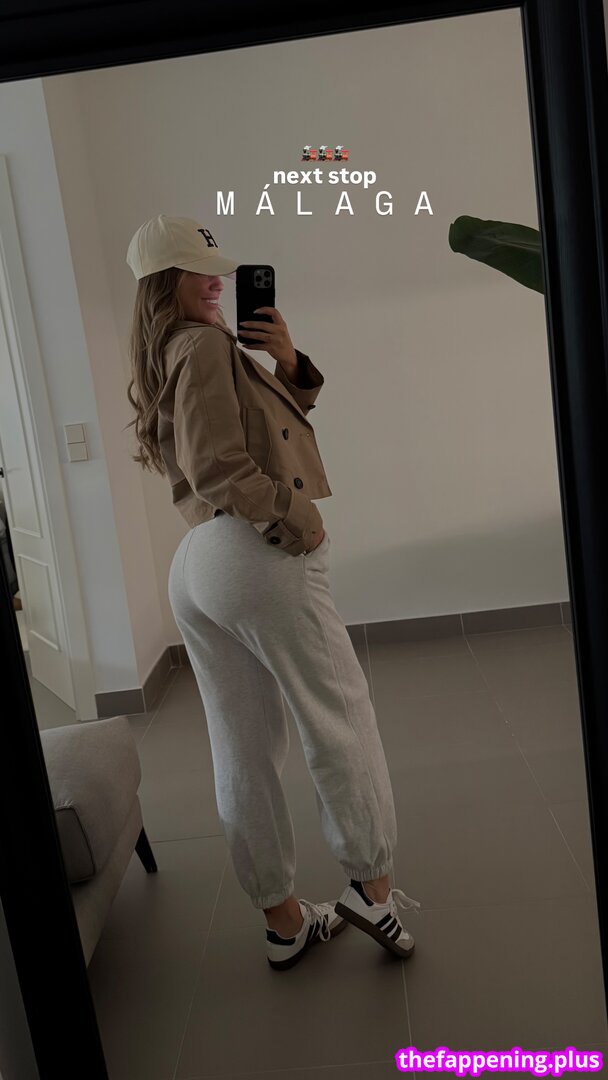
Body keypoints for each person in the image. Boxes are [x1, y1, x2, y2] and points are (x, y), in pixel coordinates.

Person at [125, 214, 421, 970]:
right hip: (253, 552)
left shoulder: (175, 349)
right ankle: (372, 891)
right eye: (199, 270)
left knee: (242, 742)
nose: (217, 280)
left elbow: (268, 436)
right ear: (166, 281)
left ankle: (284, 924)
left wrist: (287, 361)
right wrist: (300, 521)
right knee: (340, 716)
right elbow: (221, 466)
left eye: (217, 268)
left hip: (201, 563)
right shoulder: (204, 346)